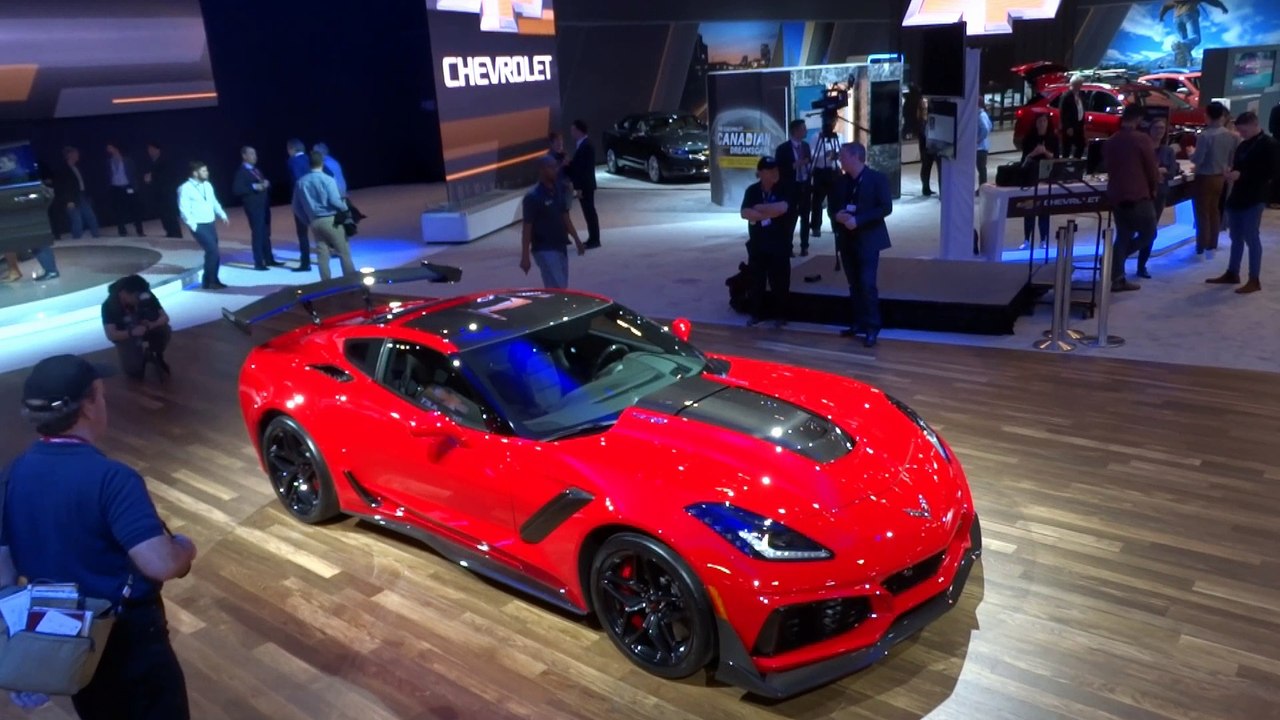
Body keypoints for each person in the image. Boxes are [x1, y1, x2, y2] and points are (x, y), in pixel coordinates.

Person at [0, 354, 197, 719]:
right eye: (101, 397)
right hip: (129, 640)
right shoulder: (112, 479)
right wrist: (184, 547)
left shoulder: (11, 477)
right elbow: (160, 563)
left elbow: (3, 578)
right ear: (88, 406)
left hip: (67, 640)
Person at [829, 142, 893, 348]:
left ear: (856, 157)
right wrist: (836, 215)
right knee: (853, 284)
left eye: (843, 156)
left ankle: (872, 327)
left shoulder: (877, 179)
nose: (840, 159)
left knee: (867, 284)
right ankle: (858, 323)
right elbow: (832, 207)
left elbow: (885, 208)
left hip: (868, 239)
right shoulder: (840, 182)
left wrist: (859, 220)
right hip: (847, 240)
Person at [1206, 111, 1276, 294]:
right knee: (1236, 237)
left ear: (1254, 124)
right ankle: (1232, 272)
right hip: (1238, 196)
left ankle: (1254, 278)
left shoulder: (1269, 145)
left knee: (1251, 237)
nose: (1242, 134)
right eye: (1240, 131)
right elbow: (1238, 166)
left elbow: (1270, 173)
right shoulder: (1244, 145)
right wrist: (1231, 173)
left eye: (1244, 130)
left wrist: (1242, 175)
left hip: (1255, 197)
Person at [1103, 105, 1159, 293]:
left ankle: (1117, 276)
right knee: (1149, 233)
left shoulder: (1111, 141)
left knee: (1124, 235)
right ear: (1138, 119)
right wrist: (1154, 189)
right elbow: (1151, 169)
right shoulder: (1142, 140)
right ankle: (1113, 262)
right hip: (1139, 195)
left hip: (1117, 195)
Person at [739, 156, 792, 327]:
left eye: (775, 169)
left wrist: (760, 209)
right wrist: (770, 213)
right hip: (758, 243)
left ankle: (781, 315)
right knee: (756, 281)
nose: (774, 173)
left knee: (780, 281)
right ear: (761, 173)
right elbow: (745, 213)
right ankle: (756, 313)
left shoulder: (784, 187)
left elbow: (782, 208)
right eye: (769, 170)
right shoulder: (752, 191)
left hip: (779, 243)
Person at [520, 155, 586, 288]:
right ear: (541, 170)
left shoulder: (558, 190)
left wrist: (577, 240)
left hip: (561, 245)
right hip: (544, 249)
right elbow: (527, 228)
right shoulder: (532, 197)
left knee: (560, 288)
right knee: (558, 288)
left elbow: (565, 217)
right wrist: (525, 256)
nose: (555, 170)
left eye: (555, 166)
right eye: (551, 167)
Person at [293, 151, 357, 281]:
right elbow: (334, 200)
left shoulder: (301, 182)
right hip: (331, 220)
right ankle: (351, 282)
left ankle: (326, 283)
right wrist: (345, 207)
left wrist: (307, 220)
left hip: (315, 222)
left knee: (322, 255)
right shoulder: (328, 179)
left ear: (309, 164)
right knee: (343, 253)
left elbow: (295, 206)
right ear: (322, 162)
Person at [101, 275, 171, 378]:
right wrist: (131, 332)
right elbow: (111, 335)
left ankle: (155, 353)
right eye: (136, 297)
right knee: (134, 371)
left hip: (146, 328)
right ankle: (138, 359)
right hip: (126, 335)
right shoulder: (109, 306)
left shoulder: (145, 295)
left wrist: (152, 324)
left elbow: (165, 317)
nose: (139, 300)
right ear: (124, 293)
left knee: (164, 330)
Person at [1190, 101, 1237, 256]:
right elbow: (1232, 158)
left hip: (1205, 177)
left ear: (1208, 115)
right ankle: (1213, 242)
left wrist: (1191, 153)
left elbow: (1199, 159)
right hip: (1220, 177)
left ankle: (1201, 244)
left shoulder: (1205, 135)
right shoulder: (1230, 135)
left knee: (1202, 212)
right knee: (1214, 210)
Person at [1138, 117, 1180, 278]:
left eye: (1162, 128)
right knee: (1140, 229)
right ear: (1150, 129)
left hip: (1160, 193)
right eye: (1157, 128)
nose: (1160, 132)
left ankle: (1142, 265)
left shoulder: (1167, 151)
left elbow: (1172, 172)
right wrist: (1158, 171)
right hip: (1142, 193)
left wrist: (1161, 172)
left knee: (1151, 230)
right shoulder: (1143, 148)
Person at [178, 161, 230, 290]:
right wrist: (193, 225)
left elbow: (214, 201)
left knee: (211, 252)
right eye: (203, 171)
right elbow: (183, 209)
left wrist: (222, 214)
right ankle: (212, 280)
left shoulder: (208, 185)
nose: (207, 173)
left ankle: (208, 280)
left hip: (210, 223)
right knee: (213, 251)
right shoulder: (185, 188)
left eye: (206, 170)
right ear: (195, 173)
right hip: (198, 225)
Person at [232, 146, 280, 270]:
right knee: (258, 234)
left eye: (255, 154)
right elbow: (237, 190)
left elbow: (261, 184)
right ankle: (258, 262)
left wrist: (266, 184)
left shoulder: (256, 170)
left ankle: (269, 258)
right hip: (254, 207)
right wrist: (254, 187)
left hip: (264, 206)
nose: (255, 156)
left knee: (266, 233)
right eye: (252, 154)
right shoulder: (241, 172)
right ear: (244, 156)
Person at [1020, 112, 1059, 249]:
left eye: (1044, 121)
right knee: (1029, 210)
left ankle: (1043, 239)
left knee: (1044, 210)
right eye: (1039, 122)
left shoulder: (1053, 139)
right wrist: (1034, 153)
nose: (1042, 124)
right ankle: (1026, 239)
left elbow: (1057, 160)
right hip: (1031, 179)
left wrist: (1046, 153)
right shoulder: (1029, 139)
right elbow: (1023, 162)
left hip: (1046, 179)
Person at [775, 120, 813, 256]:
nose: (806, 131)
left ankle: (804, 246)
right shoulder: (783, 149)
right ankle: (788, 246)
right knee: (790, 218)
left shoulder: (806, 146)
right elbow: (779, 168)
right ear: (795, 131)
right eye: (803, 128)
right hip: (790, 187)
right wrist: (795, 165)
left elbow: (809, 162)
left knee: (805, 216)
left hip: (805, 185)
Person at [51, 146, 101, 240]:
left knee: (90, 216)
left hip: (82, 195)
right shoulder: (62, 170)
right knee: (76, 219)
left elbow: (82, 182)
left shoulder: (77, 168)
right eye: (76, 153)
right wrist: (68, 201)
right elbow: (61, 187)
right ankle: (77, 239)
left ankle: (96, 236)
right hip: (71, 198)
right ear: (69, 155)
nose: (78, 155)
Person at [1160, 0, 1228, 66]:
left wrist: (1161, 17)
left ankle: (1187, 62)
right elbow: (1211, 1)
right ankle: (1182, 46)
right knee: (1195, 38)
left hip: (1176, 19)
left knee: (1185, 46)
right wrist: (1222, 7)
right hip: (1189, 13)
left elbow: (1165, 6)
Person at [567, 120, 600, 249]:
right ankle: (593, 238)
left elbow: (583, 169)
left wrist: (578, 187)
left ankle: (595, 239)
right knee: (588, 212)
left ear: (579, 131)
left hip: (585, 185)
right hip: (585, 185)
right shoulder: (583, 145)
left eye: (573, 130)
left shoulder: (586, 146)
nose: (572, 133)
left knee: (589, 212)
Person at [809, 113, 842, 235]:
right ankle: (816, 227)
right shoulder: (816, 137)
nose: (832, 124)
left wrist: (838, 155)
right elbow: (813, 155)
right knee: (817, 201)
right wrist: (826, 155)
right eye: (831, 121)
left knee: (835, 201)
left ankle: (836, 226)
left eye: (834, 121)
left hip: (834, 172)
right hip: (820, 172)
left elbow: (841, 151)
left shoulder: (838, 137)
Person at [142, 143, 183, 239]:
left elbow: (167, 176)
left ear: (158, 150)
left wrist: (152, 177)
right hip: (158, 192)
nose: (150, 151)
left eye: (152, 149)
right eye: (149, 150)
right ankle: (169, 231)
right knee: (163, 213)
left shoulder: (165, 161)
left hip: (167, 191)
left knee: (170, 212)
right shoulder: (151, 162)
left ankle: (176, 232)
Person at [105, 144, 144, 236]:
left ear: (116, 147)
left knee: (135, 209)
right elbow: (108, 176)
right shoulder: (108, 162)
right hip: (116, 188)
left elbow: (134, 174)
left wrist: (135, 187)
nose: (108, 149)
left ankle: (140, 230)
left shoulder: (127, 160)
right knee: (119, 210)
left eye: (110, 147)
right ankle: (122, 231)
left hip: (128, 187)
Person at [285, 138, 313, 272]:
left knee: (302, 234)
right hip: (316, 201)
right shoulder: (311, 159)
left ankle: (305, 262)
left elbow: (297, 181)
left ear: (292, 149)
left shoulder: (292, 161)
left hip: (301, 202)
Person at [1060, 75, 1088, 159]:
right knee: (1067, 148)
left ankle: (1076, 162)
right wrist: (1068, 127)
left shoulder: (1080, 95)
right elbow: (1063, 113)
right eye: (1079, 84)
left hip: (1078, 125)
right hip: (1070, 127)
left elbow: (1081, 109)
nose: (1081, 86)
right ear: (1074, 85)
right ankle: (1064, 165)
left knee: (1081, 145)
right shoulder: (1066, 96)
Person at [918, 96, 937, 197]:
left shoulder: (928, 118)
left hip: (929, 147)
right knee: (926, 167)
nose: (925, 104)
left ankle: (927, 187)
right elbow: (923, 135)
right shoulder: (922, 120)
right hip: (925, 148)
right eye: (924, 103)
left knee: (927, 168)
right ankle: (925, 188)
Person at [976, 99, 992, 189]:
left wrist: (978, 139)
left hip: (980, 147)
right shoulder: (984, 115)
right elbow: (989, 126)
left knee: (981, 169)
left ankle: (982, 188)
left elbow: (985, 129)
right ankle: (982, 187)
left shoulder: (980, 116)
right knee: (982, 169)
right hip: (983, 146)